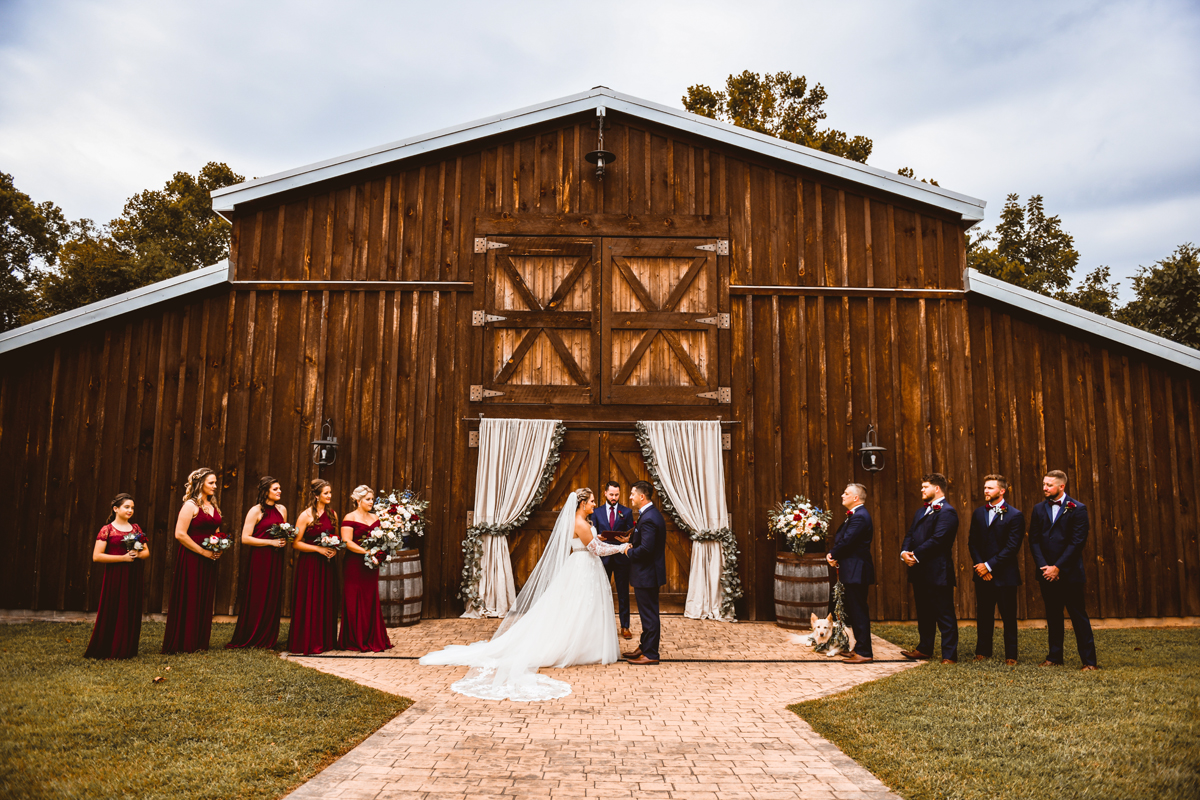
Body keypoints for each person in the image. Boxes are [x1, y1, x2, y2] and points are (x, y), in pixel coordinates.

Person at [420, 487, 631, 701]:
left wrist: (609, 541)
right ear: (582, 504)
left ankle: (586, 644)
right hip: (583, 567)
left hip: (583, 566)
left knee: (582, 608)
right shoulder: (580, 523)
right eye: (592, 501)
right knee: (578, 608)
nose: (595, 504)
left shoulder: (583, 522)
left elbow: (591, 544)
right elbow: (596, 549)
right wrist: (621, 548)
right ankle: (577, 647)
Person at [1028, 470, 1098, 670]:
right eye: (1044, 484)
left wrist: (1058, 567)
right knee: (1053, 615)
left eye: (1049, 485)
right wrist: (1045, 567)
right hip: (1046, 574)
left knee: (1078, 616)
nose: (1044, 488)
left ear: (1061, 486)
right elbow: (1033, 540)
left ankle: (1089, 661)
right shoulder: (1039, 509)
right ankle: (1054, 657)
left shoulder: (1078, 509)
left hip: (1069, 573)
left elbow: (1077, 542)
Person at [899, 473, 960, 664]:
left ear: (937, 488)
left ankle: (949, 655)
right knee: (924, 613)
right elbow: (910, 534)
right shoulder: (921, 511)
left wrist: (915, 555)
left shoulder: (947, 512)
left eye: (925, 487)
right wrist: (904, 553)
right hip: (919, 572)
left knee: (944, 614)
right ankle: (924, 648)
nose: (922, 490)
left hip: (938, 572)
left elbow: (939, 540)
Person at [162, 468, 223, 654]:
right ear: (200, 483)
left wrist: (218, 544)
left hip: (208, 558)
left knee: (204, 596)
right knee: (191, 595)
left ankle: (199, 641)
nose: (214, 486)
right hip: (192, 557)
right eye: (211, 483)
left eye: (215, 483)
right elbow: (180, 534)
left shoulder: (213, 505)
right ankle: (185, 641)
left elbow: (216, 531)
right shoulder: (190, 505)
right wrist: (202, 552)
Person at [226, 476, 290, 650]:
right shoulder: (256, 510)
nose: (279, 491)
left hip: (276, 558)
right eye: (275, 489)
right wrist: (271, 542)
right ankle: (252, 635)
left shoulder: (282, 509)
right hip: (260, 558)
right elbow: (245, 538)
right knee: (258, 595)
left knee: (272, 595)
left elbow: (281, 533)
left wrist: (283, 539)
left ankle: (268, 637)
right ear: (266, 491)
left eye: (279, 488)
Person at [967, 474, 1025, 665]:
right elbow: (972, 542)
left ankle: (1011, 655)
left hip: (1005, 575)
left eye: (990, 488)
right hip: (982, 574)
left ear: (1002, 491)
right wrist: (980, 566)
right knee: (983, 614)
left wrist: (989, 565)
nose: (985, 491)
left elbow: (1012, 547)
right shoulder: (978, 513)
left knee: (1008, 617)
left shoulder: (1015, 515)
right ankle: (982, 651)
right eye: (985, 487)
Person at [84, 493, 150, 659]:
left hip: (134, 575)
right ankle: (109, 647)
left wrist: (137, 554)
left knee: (130, 609)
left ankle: (127, 648)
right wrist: (123, 558)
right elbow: (97, 556)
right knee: (114, 608)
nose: (130, 510)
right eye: (126, 507)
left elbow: (146, 552)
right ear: (116, 509)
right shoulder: (107, 530)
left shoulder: (136, 529)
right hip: (115, 575)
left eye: (132, 508)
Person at [287, 479, 340, 655]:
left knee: (325, 599)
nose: (329, 496)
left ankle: (325, 640)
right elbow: (295, 543)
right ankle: (308, 640)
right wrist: (318, 549)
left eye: (330, 492)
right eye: (326, 493)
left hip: (327, 565)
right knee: (311, 599)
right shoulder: (306, 516)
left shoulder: (333, 514)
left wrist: (334, 549)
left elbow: (336, 538)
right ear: (316, 496)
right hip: (309, 565)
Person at [339, 485, 392, 652]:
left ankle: (372, 636)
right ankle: (355, 638)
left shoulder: (375, 517)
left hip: (371, 565)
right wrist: (367, 552)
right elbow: (347, 542)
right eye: (368, 499)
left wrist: (379, 553)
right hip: (355, 564)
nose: (371, 502)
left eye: (372, 499)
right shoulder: (350, 517)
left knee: (370, 597)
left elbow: (381, 540)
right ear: (358, 501)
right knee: (354, 598)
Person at [619, 481, 667, 666]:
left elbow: (647, 549)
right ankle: (645, 646)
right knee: (647, 613)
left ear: (641, 496)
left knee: (649, 615)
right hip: (647, 573)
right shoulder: (649, 514)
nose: (630, 497)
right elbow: (646, 542)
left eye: (632, 494)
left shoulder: (649, 518)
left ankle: (651, 653)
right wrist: (632, 541)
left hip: (647, 574)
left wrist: (628, 551)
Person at [827, 483, 875, 664]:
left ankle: (865, 652)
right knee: (854, 611)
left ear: (856, 498)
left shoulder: (860, 517)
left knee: (859, 611)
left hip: (857, 571)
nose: (842, 495)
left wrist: (832, 554)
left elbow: (848, 541)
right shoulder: (854, 516)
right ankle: (859, 647)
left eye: (846, 493)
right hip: (851, 569)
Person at [594, 480, 635, 639]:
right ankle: (601, 626)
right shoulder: (596, 512)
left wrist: (627, 539)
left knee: (623, 593)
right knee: (600, 593)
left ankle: (625, 627)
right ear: (605, 493)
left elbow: (630, 534)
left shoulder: (627, 511)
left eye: (616, 495)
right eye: (611, 494)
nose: (614, 497)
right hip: (603, 558)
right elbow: (594, 534)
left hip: (620, 559)